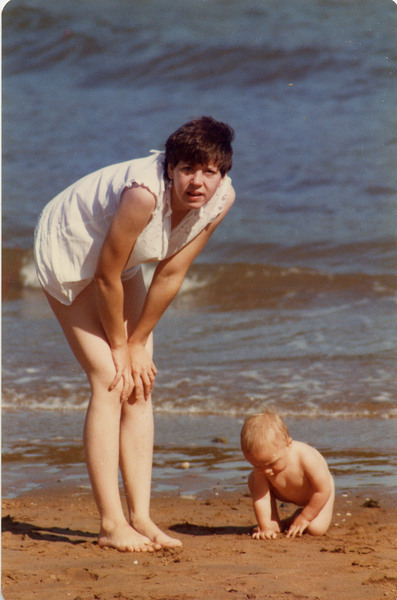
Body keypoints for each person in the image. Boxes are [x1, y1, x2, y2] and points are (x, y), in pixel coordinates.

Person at [34, 116, 235, 553]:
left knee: (140, 385)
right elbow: (105, 278)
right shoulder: (143, 197)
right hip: (68, 246)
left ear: (223, 174)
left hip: (116, 255)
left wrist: (140, 342)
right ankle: (111, 524)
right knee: (110, 378)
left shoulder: (222, 199)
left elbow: (172, 270)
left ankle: (140, 517)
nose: (197, 182)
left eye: (210, 172)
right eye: (187, 169)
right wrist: (121, 347)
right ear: (170, 169)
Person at [240, 411, 334, 539]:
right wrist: (265, 528)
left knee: (316, 529)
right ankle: (272, 523)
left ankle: (295, 518)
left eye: (271, 463)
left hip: (318, 494)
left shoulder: (306, 458)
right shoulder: (264, 468)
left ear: (288, 444)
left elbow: (323, 490)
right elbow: (262, 499)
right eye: (257, 465)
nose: (266, 471)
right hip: (285, 491)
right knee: (254, 479)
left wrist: (305, 517)